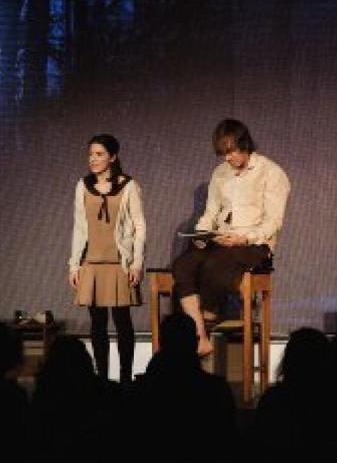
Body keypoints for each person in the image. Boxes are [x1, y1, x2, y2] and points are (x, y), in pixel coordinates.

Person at [171, 119, 290, 355]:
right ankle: (200, 336)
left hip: (254, 245)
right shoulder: (220, 173)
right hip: (222, 241)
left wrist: (243, 238)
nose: (227, 158)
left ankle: (210, 315)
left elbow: (273, 222)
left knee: (215, 264)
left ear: (245, 144)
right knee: (183, 264)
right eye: (223, 154)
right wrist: (202, 233)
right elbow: (211, 212)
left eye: (231, 152)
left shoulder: (271, 173)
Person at [68, 134, 146, 383]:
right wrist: (74, 264)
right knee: (97, 324)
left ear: (112, 157)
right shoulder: (83, 185)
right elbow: (80, 227)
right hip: (92, 263)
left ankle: (124, 380)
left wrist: (136, 262)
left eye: (99, 154)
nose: (93, 159)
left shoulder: (128, 186)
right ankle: (101, 379)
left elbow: (139, 225)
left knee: (123, 322)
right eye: (91, 154)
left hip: (118, 264)